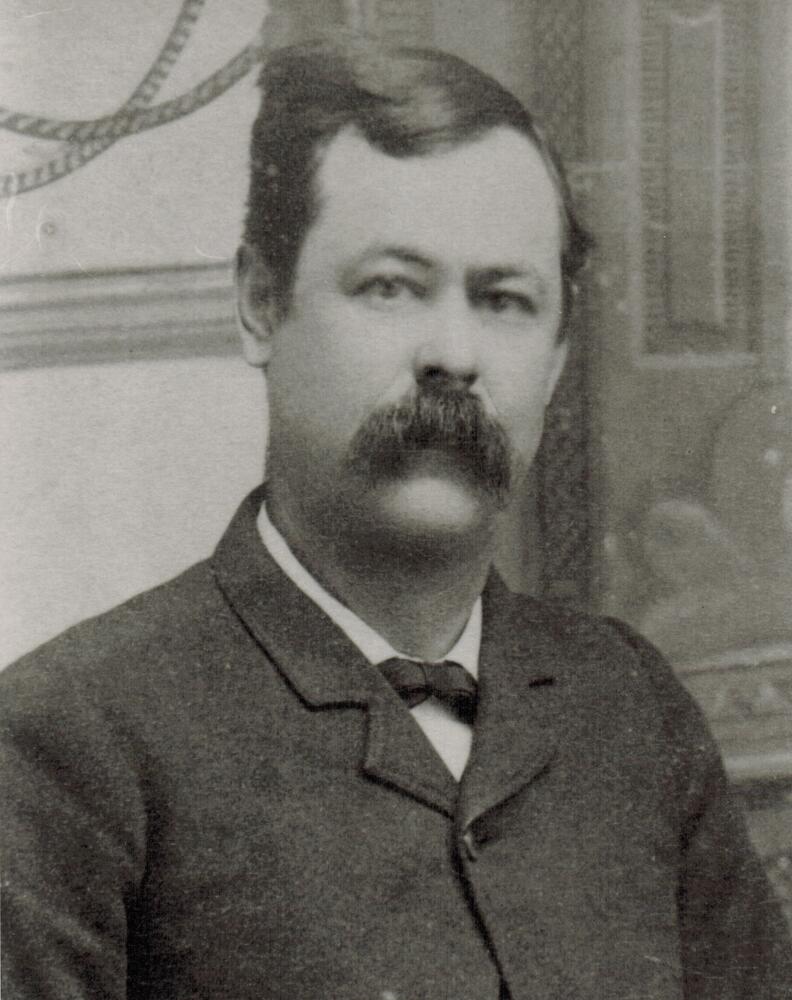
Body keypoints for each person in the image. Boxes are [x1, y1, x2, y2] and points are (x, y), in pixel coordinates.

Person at [1, 32, 790, 1000]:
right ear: (258, 303)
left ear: (552, 360)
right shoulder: (64, 742)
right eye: (391, 286)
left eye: (504, 299)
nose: (452, 352)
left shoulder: (627, 699)